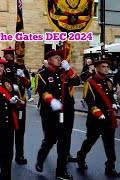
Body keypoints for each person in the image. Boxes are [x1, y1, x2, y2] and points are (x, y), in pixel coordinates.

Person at [35, 49, 80, 179]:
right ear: (49, 60)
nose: (59, 60)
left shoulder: (64, 72)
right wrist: (52, 101)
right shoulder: (42, 74)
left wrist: (69, 69)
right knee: (50, 140)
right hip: (51, 112)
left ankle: (61, 171)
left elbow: (77, 82)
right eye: (56, 58)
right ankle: (41, 158)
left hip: (67, 111)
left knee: (64, 141)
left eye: (60, 58)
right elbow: (42, 91)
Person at [77, 60, 120, 177]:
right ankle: (80, 157)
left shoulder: (108, 81)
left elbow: (110, 97)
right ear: (96, 68)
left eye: (107, 67)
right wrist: (99, 114)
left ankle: (110, 167)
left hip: (108, 118)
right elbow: (90, 101)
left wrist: (113, 104)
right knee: (90, 141)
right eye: (103, 67)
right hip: (96, 119)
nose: (106, 69)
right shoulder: (90, 82)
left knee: (110, 144)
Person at [2, 46, 30, 165]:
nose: (7, 55)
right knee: (7, 131)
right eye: (6, 54)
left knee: (20, 131)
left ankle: (20, 155)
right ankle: (3, 151)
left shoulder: (21, 67)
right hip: (8, 103)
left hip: (20, 104)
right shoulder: (2, 67)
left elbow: (28, 84)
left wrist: (22, 77)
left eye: (9, 54)